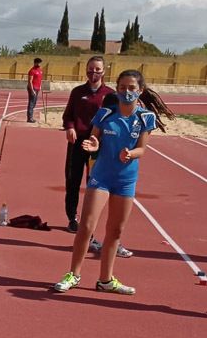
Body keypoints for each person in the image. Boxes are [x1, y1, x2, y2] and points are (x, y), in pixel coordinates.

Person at [54, 69, 172, 295]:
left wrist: (131, 154)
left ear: (140, 90)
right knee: (86, 226)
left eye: (131, 88)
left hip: (126, 180)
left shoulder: (145, 118)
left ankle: (105, 280)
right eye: (122, 88)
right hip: (101, 177)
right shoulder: (106, 113)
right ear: (116, 89)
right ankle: (73, 274)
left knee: (115, 231)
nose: (126, 92)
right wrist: (94, 145)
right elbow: (94, 137)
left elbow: (142, 149)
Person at [61, 56, 133, 257]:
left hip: (99, 146)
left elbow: (118, 118)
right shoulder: (77, 92)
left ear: (104, 71)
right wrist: (70, 127)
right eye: (91, 69)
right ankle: (72, 218)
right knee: (72, 180)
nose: (94, 73)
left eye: (98, 69)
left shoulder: (110, 95)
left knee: (94, 184)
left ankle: (95, 227)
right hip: (78, 142)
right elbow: (68, 115)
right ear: (86, 70)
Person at [26, 57, 43, 122]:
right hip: (32, 88)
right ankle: (29, 118)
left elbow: (40, 79)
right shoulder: (32, 71)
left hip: (37, 88)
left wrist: (40, 86)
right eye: (38, 63)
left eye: (40, 63)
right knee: (31, 102)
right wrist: (32, 90)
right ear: (35, 63)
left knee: (34, 103)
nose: (39, 64)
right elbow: (30, 81)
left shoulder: (40, 70)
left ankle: (30, 116)